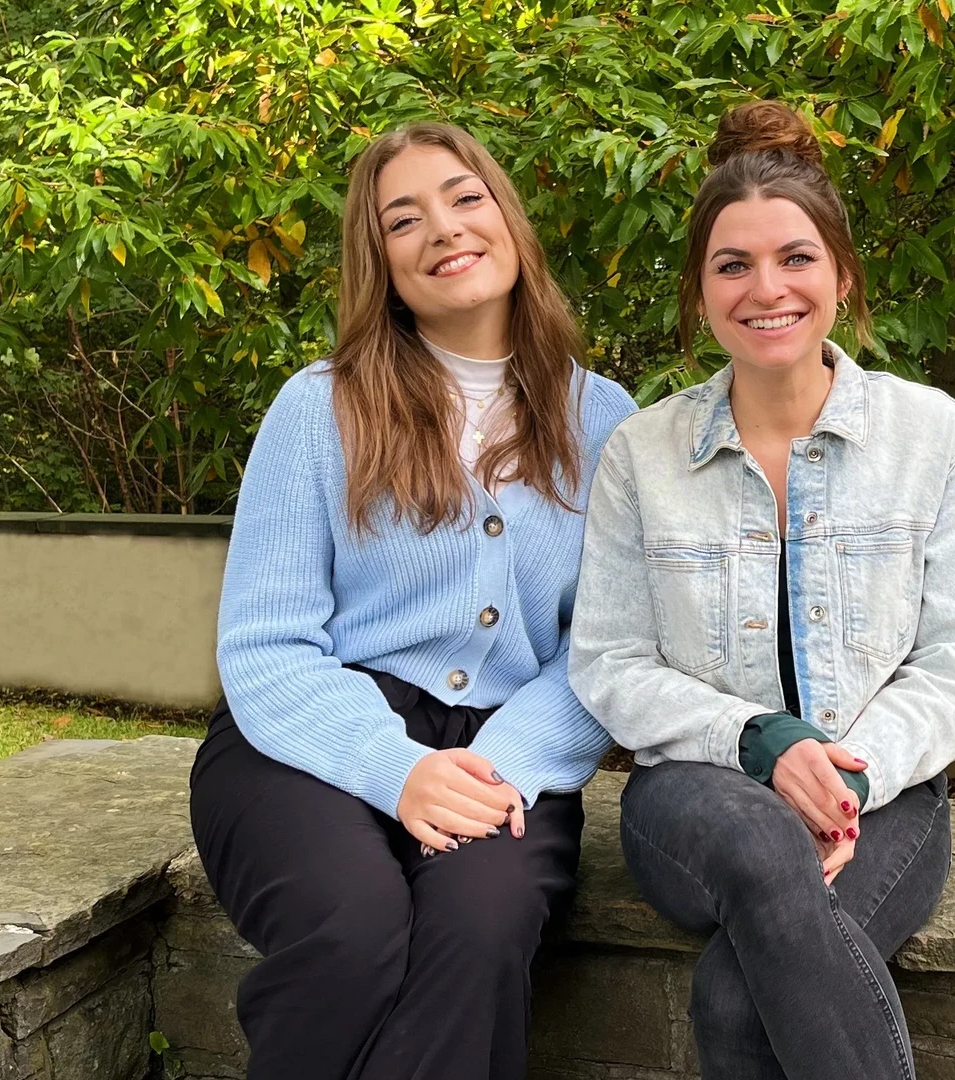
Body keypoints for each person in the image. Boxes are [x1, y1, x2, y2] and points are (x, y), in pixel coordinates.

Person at [568, 100, 955, 1080]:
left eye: (794, 258)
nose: (764, 288)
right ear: (697, 292)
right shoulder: (641, 454)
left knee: (734, 997)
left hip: (881, 789)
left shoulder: (928, 435)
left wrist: (847, 774)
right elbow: (607, 660)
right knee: (757, 847)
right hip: (693, 799)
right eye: (731, 265)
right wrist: (760, 741)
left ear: (842, 274)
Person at [189, 121, 636, 1080]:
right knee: (352, 934)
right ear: (380, 263)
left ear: (508, 220)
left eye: (465, 199)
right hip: (304, 736)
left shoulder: (608, 421)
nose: (442, 229)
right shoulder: (321, 406)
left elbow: (602, 647)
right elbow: (265, 644)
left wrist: (500, 763)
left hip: (507, 749)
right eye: (404, 220)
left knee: (476, 934)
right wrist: (391, 767)